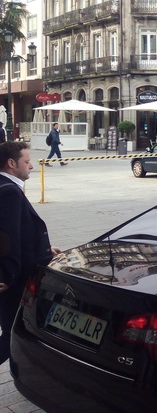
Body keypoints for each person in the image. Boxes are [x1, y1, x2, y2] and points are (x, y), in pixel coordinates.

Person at [0, 141, 62, 364]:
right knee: (10, 334)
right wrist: (7, 276)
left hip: (18, 272)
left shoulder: (6, 185)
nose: (32, 166)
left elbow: (20, 230)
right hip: (16, 280)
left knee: (13, 332)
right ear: (11, 163)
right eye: (26, 162)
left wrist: (44, 248)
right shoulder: (10, 192)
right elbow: (7, 238)